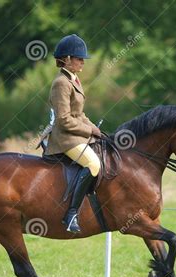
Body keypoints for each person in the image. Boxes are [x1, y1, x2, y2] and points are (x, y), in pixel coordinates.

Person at [45, 34, 102, 233]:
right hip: (64, 139)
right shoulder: (61, 82)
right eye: (79, 58)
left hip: (75, 134)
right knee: (93, 163)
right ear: (67, 59)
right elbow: (64, 119)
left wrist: (96, 129)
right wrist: (89, 130)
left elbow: (80, 114)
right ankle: (71, 214)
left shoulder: (74, 80)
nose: (83, 62)